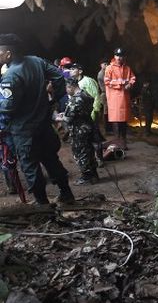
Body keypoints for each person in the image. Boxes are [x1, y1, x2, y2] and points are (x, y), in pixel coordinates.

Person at [0, 34, 75, 205]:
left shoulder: (11, 76)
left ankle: (42, 203)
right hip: (43, 124)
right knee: (50, 158)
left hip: (23, 130)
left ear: (9, 54)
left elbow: (7, 107)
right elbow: (57, 76)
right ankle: (67, 193)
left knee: (30, 165)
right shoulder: (36, 61)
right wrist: (54, 99)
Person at [61, 78, 99, 185]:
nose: (66, 91)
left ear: (70, 86)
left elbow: (68, 118)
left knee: (80, 153)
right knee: (89, 151)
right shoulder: (86, 95)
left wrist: (58, 117)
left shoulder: (75, 99)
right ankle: (94, 174)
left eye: (66, 89)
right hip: (88, 126)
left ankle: (86, 177)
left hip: (79, 130)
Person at [104, 48, 136, 147]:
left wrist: (130, 84)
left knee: (123, 121)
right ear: (114, 56)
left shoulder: (127, 68)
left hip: (124, 99)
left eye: (121, 56)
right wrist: (121, 84)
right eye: (117, 56)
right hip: (114, 99)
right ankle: (118, 142)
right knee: (116, 121)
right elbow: (107, 81)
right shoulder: (109, 68)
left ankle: (123, 142)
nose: (119, 58)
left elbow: (132, 78)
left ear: (124, 57)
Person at [96, 60, 109, 133]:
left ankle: (108, 128)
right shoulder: (101, 74)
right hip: (105, 93)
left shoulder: (105, 72)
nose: (106, 65)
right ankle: (107, 129)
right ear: (101, 65)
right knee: (106, 111)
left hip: (106, 93)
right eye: (105, 64)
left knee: (106, 111)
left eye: (107, 64)